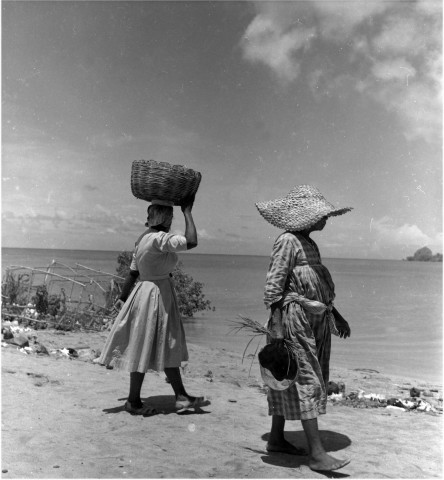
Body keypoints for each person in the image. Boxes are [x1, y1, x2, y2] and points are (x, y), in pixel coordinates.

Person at [255, 184, 352, 472]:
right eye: (323, 215)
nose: (326, 219)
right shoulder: (287, 241)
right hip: (294, 320)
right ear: (307, 216)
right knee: (307, 378)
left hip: (316, 321)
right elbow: (274, 287)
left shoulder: (308, 242)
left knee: (294, 376)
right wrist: (277, 328)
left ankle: (276, 438)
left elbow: (317, 287)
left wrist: (337, 315)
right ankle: (317, 454)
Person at [98, 196, 206, 415]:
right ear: (166, 218)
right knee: (156, 343)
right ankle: (134, 401)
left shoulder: (143, 238)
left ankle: (180, 396)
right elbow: (192, 241)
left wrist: (122, 297)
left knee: (158, 343)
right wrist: (187, 212)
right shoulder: (159, 238)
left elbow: (133, 272)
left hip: (144, 292)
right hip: (158, 294)